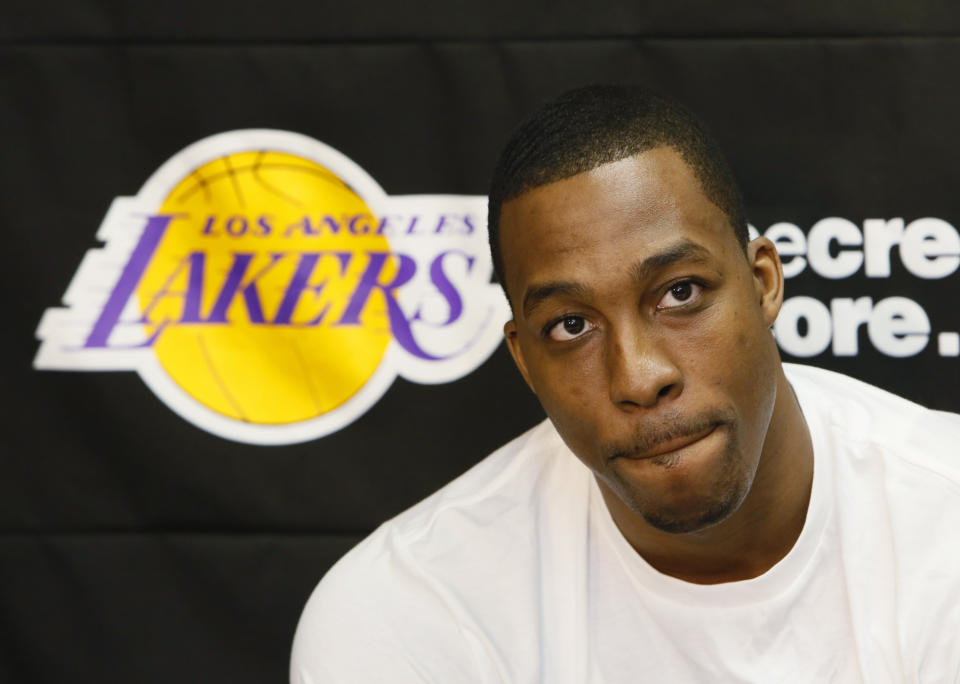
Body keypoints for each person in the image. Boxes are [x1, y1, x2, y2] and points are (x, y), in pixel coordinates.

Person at [291, 85, 960, 682]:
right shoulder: (411, 611)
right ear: (524, 361)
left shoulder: (943, 516)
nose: (640, 377)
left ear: (763, 284)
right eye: (571, 326)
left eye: (680, 292)